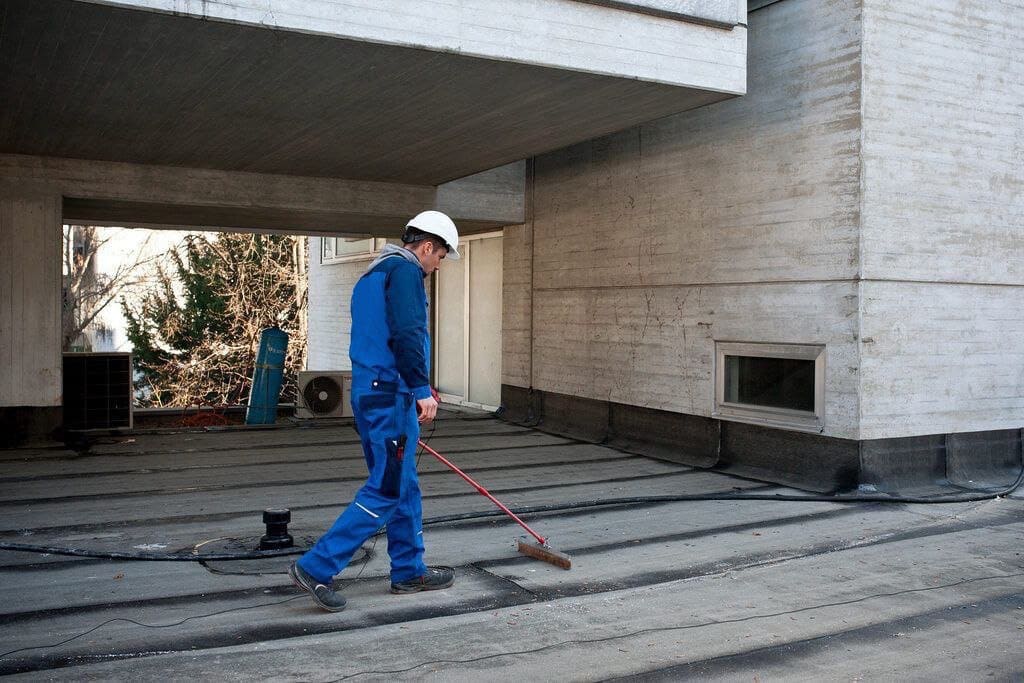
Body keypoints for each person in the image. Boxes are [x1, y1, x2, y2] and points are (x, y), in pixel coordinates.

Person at [289, 210, 460, 612]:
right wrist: (420, 388)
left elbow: (379, 337)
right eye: (440, 256)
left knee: (404, 484)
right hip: (391, 398)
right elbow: (406, 334)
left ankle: (409, 570)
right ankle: (315, 567)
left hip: (371, 392)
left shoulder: (371, 275)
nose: (438, 265)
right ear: (427, 247)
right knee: (385, 488)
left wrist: (415, 385)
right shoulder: (405, 272)